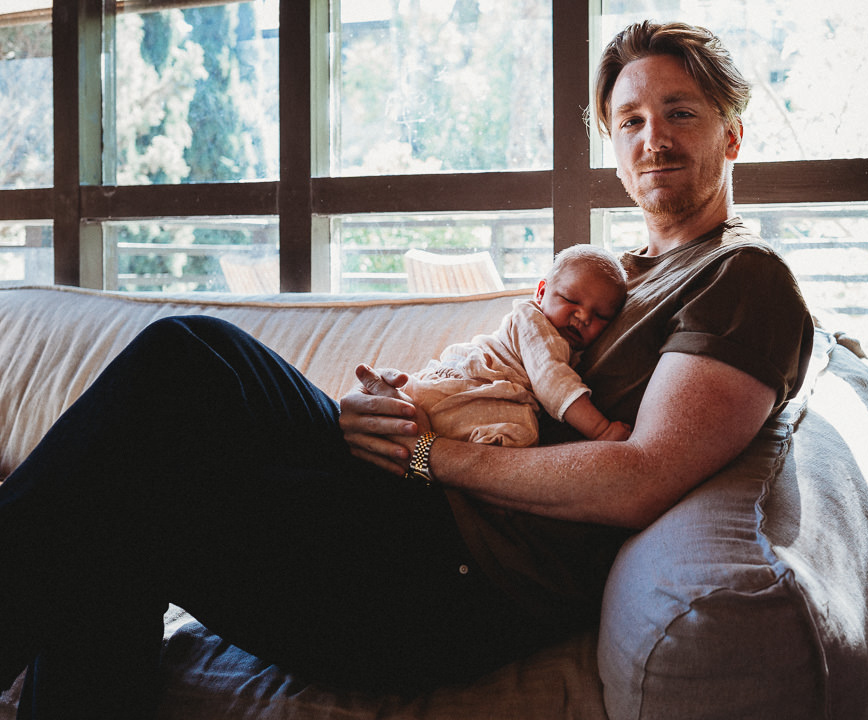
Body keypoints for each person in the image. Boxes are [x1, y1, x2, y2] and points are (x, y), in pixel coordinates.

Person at [0, 20, 814, 719]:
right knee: (137, 473)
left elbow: (639, 477)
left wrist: (423, 455)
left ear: (731, 135)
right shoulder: (622, 275)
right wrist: (383, 415)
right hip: (399, 517)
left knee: (186, 370)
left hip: (441, 579)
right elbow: (499, 378)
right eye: (631, 119)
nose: (653, 139)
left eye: (680, 114)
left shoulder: (743, 279)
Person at [402, 244, 630, 448]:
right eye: (571, 300)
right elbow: (552, 380)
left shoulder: (576, 348)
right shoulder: (533, 321)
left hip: (486, 398)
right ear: (541, 293)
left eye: (600, 315)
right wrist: (602, 430)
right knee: (522, 432)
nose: (583, 316)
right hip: (469, 384)